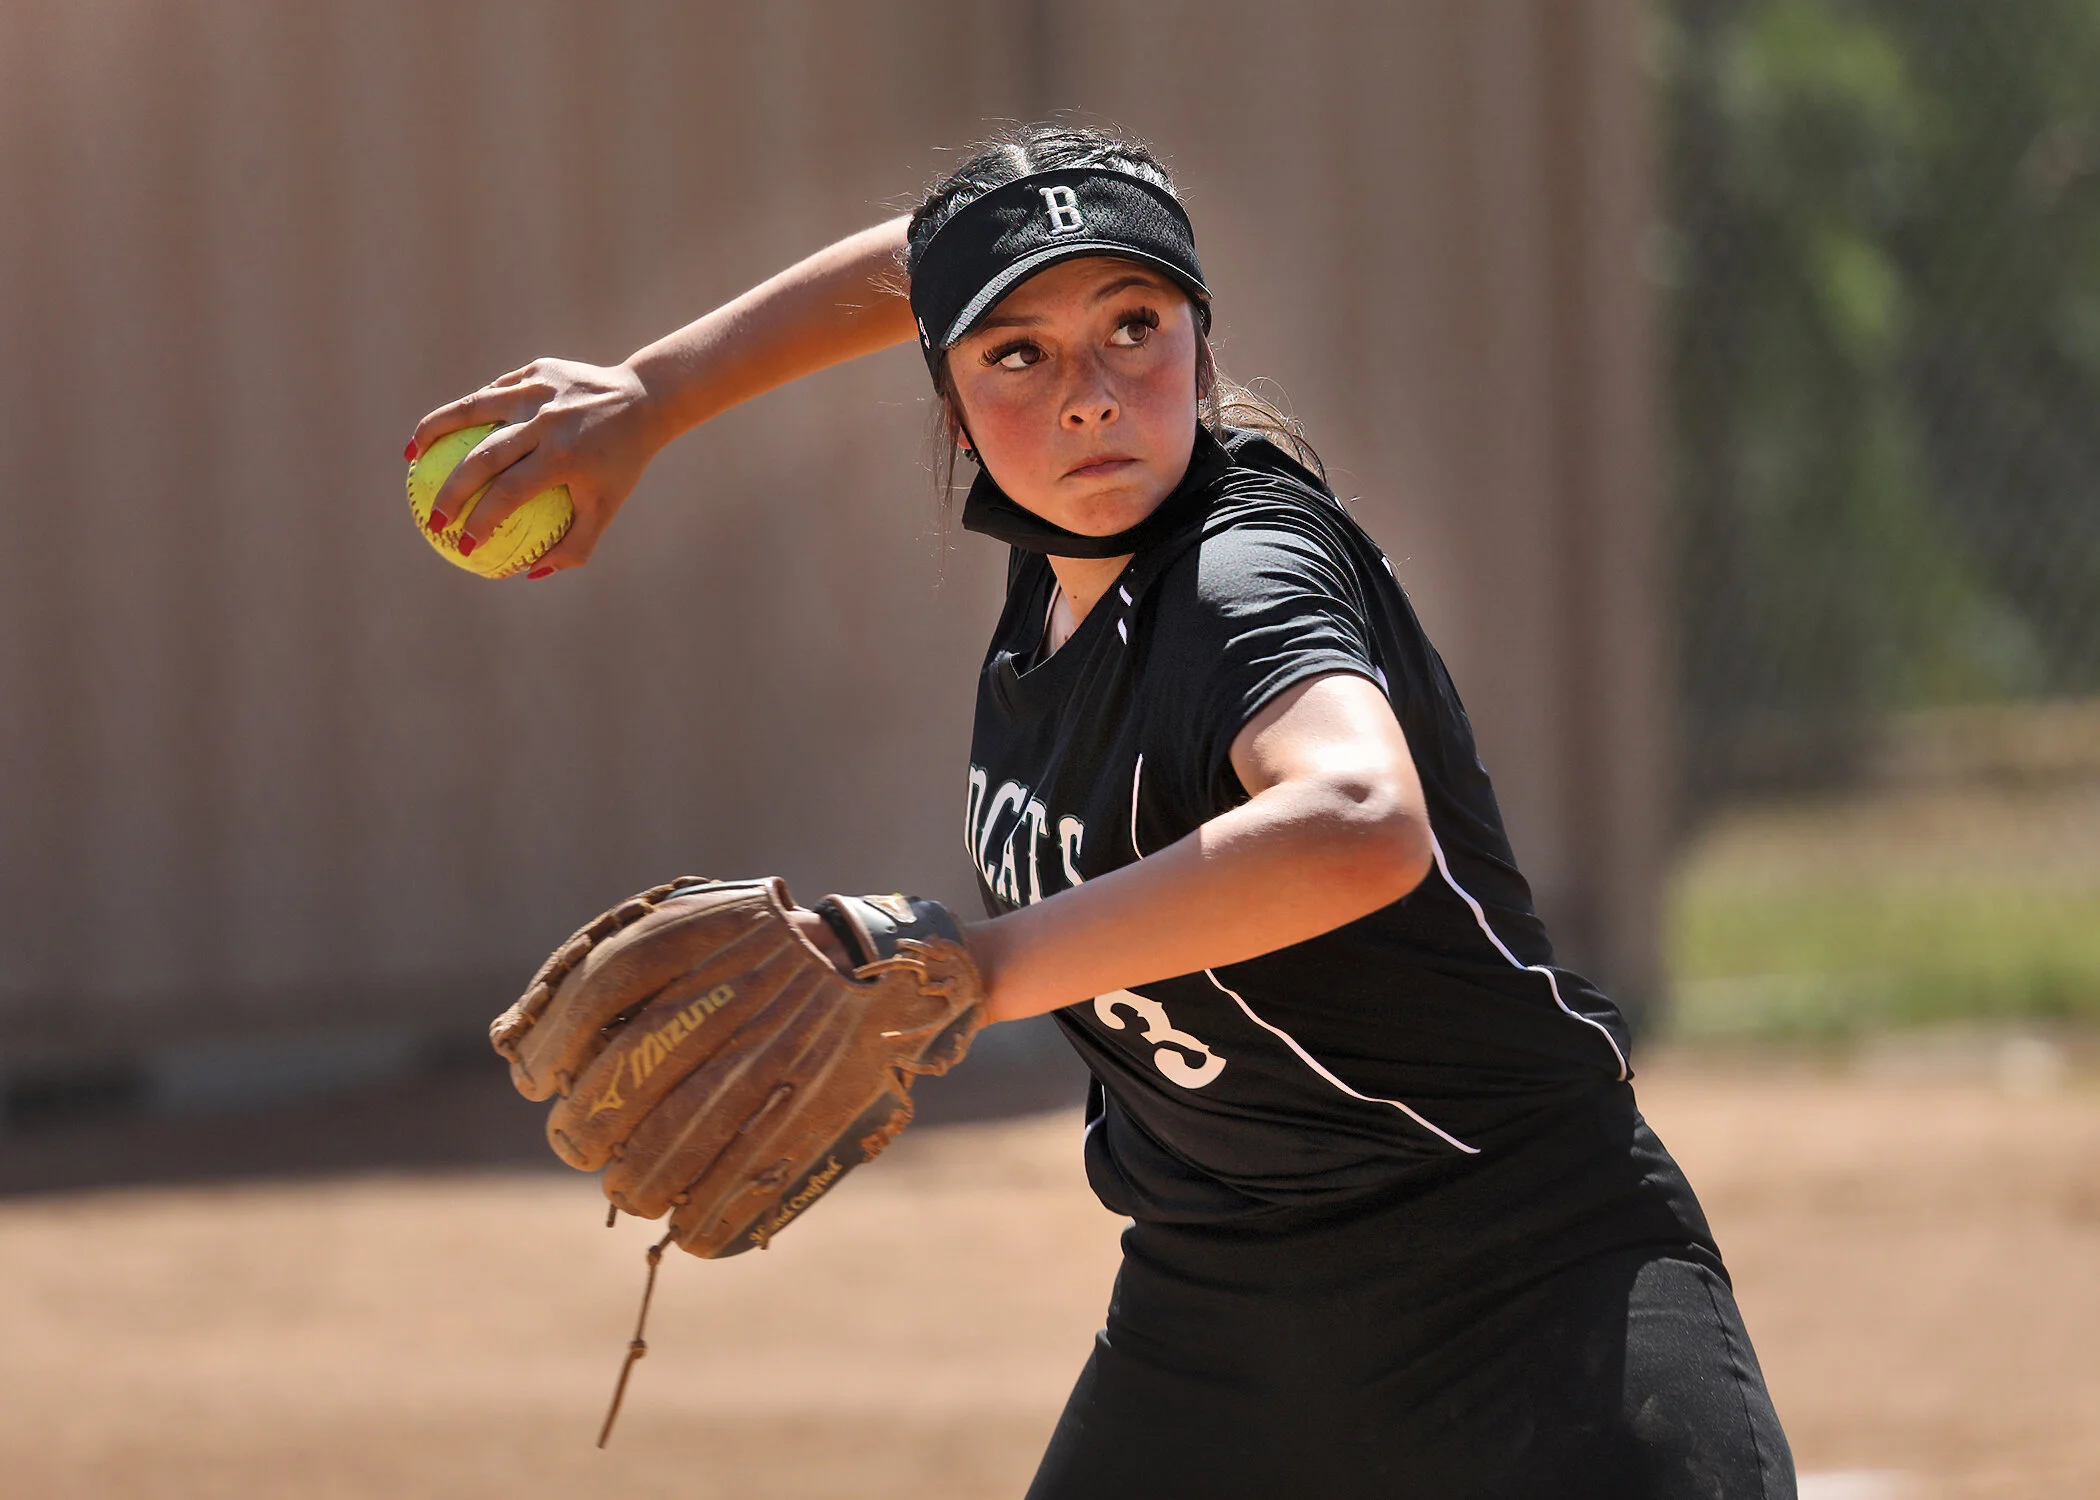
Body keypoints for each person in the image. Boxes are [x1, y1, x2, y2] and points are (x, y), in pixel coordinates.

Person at [410, 123, 1796, 1500]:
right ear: (950, 407)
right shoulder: (1069, 551)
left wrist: (975, 970)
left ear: (1202, 341)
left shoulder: (1238, 576)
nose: (1089, 391)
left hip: (1524, 1284)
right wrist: (654, 396)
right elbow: (935, 254)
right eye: (1018, 354)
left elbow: (1363, 820)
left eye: (1137, 326)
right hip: (1220, 1310)